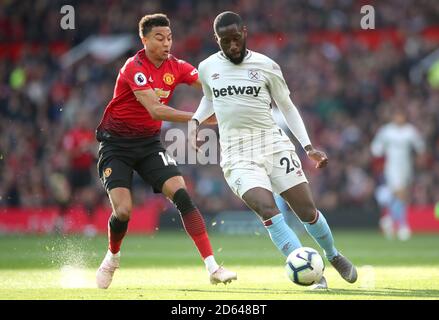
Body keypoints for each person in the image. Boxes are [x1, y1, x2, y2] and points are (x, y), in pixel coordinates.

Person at [190, 11, 357, 289]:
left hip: (273, 144)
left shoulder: (266, 65)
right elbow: (210, 99)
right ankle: (311, 271)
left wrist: (308, 147)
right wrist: (195, 121)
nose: (232, 46)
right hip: (236, 153)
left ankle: (334, 255)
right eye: (225, 41)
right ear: (216, 39)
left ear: (244, 32)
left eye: (236, 39)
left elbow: (287, 107)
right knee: (268, 210)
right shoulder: (207, 67)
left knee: (307, 211)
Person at [95, 13, 236, 289]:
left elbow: (210, 86)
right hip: (116, 145)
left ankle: (212, 267)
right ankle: (112, 257)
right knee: (123, 211)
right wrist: (198, 118)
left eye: (169, 38)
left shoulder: (177, 66)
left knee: (182, 194)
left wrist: (235, 98)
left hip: (148, 143)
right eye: (159, 38)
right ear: (144, 39)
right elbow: (156, 109)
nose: (166, 43)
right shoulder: (133, 67)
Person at [371, 109, 425, 241]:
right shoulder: (386, 131)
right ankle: (402, 226)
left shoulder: (410, 131)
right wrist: (380, 154)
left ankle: (389, 219)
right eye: (397, 116)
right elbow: (376, 148)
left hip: (406, 167)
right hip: (392, 167)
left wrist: (420, 157)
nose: (399, 118)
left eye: (401, 116)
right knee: (400, 193)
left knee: (403, 195)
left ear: (404, 117)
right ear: (394, 117)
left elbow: (420, 146)